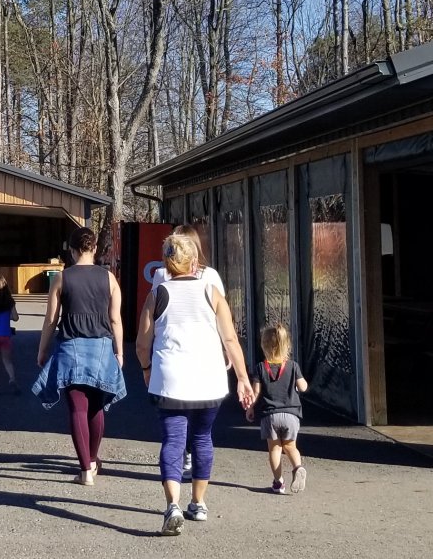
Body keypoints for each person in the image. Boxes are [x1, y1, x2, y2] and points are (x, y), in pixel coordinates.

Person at [136, 229, 252, 536]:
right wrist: (242, 378)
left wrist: (147, 369)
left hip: (169, 378)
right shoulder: (212, 292)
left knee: (173, 440)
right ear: (194, 262)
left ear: (167, 263)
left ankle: (172, 504)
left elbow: (141, 343)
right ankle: (198, 502)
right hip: (208, 378)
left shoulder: (157, 294)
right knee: (202, 437)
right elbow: (230, 339)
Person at [31, 227, 126, 485]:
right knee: (96, 407)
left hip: (71, 347)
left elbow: (51, 320)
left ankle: (85, 469)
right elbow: (115, 319)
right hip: (102, 348)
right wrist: (119, 351)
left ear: (71, 251)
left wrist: (42, 350)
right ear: (95, 248)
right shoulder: (109, 279)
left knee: (77, 408)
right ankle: (93, 461)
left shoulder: (62, 279)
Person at [247, 322, 308, 494]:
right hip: (291, 414)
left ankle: (278, 482)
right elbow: (303, 387)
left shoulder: (260, 367)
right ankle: (298, 467)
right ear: (287, 344)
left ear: (264, 346)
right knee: (290, 446)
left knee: (275, 449)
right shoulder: (293, 366)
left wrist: (250, 408)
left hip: (270, 416)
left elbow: (256, 392)